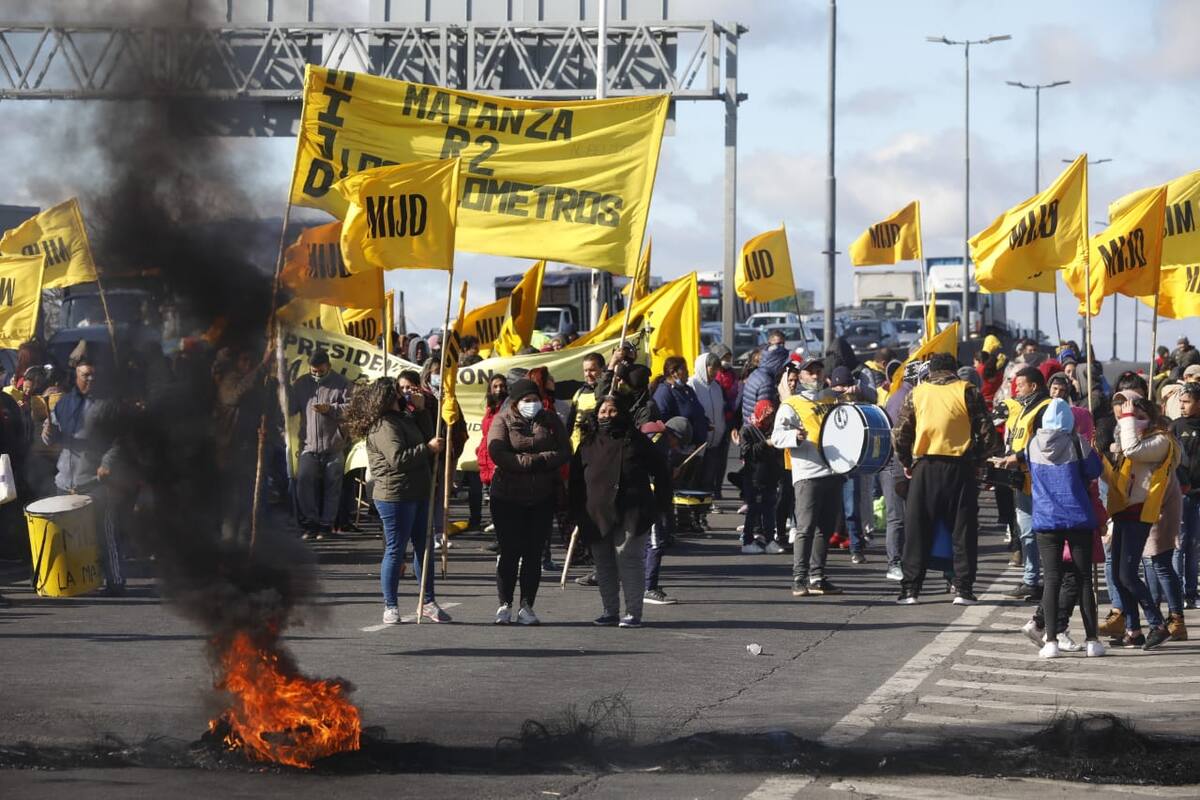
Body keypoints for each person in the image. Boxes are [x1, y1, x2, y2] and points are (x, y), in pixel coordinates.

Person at [892, 352, 1002, 604]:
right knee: (963, 531)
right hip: (960, 468)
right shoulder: (968, 390)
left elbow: (900, 434)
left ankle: (911, 590)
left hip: (924, 467)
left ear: (931, 371)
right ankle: (963, 589)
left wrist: (907, 463)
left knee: (917, 529)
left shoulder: (917, 393)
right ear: (954, 370)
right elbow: (988, 437)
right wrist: (976, 461)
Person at [348, 377, 450, 624]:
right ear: (388, 397)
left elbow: (428, 435)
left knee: (423, 549)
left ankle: (428, 601)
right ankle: (390, 605)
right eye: (398, 393)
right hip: (395, 495)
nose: (404, 395)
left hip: (418, 491)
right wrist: (427, 449)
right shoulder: (383, 425)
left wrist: (423, 410)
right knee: (396, 549)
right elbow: (398, 459)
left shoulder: (404, 418)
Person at [569, 396, 671, 627]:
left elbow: (662, 471)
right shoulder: (587, 444)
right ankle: (610, 611)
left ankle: (633, 613)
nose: (607, 416)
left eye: (612, 411)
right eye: (603, 411)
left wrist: (661, 505)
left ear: (622, 413)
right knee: (604, 564)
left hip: (632, 512)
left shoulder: (637, 441)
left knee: (629, 560)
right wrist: (576, 511)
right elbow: (575, 481)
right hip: (597, 514)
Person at [487, 378, 571, 625]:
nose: (532, 404)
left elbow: (565, 450)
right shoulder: (502, 420)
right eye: (527, 400)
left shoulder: (551, 419)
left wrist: (543, 460)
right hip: (507, 497)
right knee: (510, 552)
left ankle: (527, 605)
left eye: (535, 399)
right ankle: (505, 604)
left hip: (542, 497)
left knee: (533, 553)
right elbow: (498, 452)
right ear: (516, 402)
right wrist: (528, 462)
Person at [1025, 398, 1105, 658]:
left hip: (1046, 519)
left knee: (1051, 579)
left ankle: (1050, 642)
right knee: (1083, 579)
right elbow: (1095, 470)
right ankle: (1093, 640)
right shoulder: (1076, 442)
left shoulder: (1032, 444)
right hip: (1076, 516)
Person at [42, 359, 125, 595]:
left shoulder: (108, 406)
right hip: (65, 481)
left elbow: (120, 440)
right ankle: (74, 580)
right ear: (76, 376)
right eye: (85, 375)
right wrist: (48, 433)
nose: (91, 379)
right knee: (69, 537)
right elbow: (53, 436)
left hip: (94, 481)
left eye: (94, 375)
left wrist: (107, 462)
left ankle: (116, 581)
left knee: (105, 533)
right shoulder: (64, 404)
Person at [1107, 394, 1180, 650]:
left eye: (1136, 414)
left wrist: (1128, 421)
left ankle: (1158, 624)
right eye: (1123, 412)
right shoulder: (1130, 435)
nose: (1127, 418)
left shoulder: (1160, 440)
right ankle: (1133, 629)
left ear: (1147, 415)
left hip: (1141, 512)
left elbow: (1132, 451)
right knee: (1117, 575)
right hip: (1123, 509)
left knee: (1128, 574)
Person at [771, 357, 844, 596]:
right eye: (810, 372)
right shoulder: (791, 404)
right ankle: (799, 577)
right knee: (805, 528)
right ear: (800, 377)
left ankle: (818, 576)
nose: (815, 376)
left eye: (818, 371)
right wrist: (795, 436)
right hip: (808, 473)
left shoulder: (832, 398)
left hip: (833, 471)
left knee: (825, 527)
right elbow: (777, 437)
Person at [998, 367, 1053, 601]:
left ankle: (1045, 580)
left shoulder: (1045, 408)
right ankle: (1031, 580)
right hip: (1022, 479)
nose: (1016, 389)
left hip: (1039, 480)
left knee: (1042, 534)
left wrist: (1017, 457)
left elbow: (1044, 442)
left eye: (1020, 385)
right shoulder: (1023, 408)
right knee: (1027, 532)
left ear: (1033, 386)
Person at [212, 346, 272, 545]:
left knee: (248, 501)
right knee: (233, 504)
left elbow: (260, 406)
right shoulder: (227, 381)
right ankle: (229, 545)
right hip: (228, 453)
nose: (248, 365)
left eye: (251, 361)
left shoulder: (252, 383)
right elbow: (237, 394)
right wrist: (263, 366)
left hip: (248, 450)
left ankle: (245, 544)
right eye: (244, 360)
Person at [289, 350, 351, 540]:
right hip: (308, 445)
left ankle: (326, 524)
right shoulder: (301, 384)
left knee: (333, 486)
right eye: (313, 371)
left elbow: (351, 409)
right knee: (304, 482)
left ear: (329, 366)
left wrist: (330, 409)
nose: (316, 375)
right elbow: (290, 409)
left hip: (334, 445)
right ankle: (310, 522)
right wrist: (281, 391)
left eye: (320, 371)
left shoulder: (342, 383)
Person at [829, 365, 877, 563]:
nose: (842, 392)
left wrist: (859, 392)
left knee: (851, 507)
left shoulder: (860, 403)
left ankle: (856, 546)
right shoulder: (827, 401)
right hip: (830, 460)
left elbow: (875, 398)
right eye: (838, 388)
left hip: (851, 461)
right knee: (829, 506)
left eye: (845, 387)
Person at [739, 399, 785, 554]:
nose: (769, 419)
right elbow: (747, 452)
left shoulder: (774, 429)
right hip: (754, 478)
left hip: (771, 477)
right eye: (766, 415)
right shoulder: (747, 430)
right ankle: (747, 541)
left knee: (769, 510)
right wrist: (766, 443)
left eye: (771, 416)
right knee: (753, 510)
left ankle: (770, 540)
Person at [1171, 384, 1200, 611]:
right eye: (1181, 402)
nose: (1182, 406)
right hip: (1181, 494)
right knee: (1179, 545)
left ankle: (1192, 592)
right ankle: (1176, 591)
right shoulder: (1175, 427)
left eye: (1187, 401)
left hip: (1198, 495)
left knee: (1194, 545)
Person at [475, 374, 508, 549]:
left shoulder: (508, 408)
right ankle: (499, 538)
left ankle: (504, 540)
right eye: (495, 386)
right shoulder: (490, 409)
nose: (499, 390)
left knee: (502, 504)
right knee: (492, 504)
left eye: (502, 386)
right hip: (486, 460)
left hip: (499, 461)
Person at [689, 352, 727, 498]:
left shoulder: (716, 387)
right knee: (695, 476)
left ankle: (707, 504)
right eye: (712, 369)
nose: (715, 373)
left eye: (717, 369)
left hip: (714, 441)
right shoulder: (692, 384)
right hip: (698, 442)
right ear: (703, 367)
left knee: (709, 476)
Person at [651, 356, 709, 448]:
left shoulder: (688, 390)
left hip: (697, 446)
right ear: (674, 373)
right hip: (679, 449)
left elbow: (696, 411)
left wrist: (704, 423)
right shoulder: (664, 392)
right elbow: (661, 422)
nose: (688, 372)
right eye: (684, 369)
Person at [741, 343, 789, 424]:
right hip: (757, 430)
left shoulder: (757, 373)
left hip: (749, 425)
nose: (784, 369)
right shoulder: (766, 382)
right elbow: (764, 415)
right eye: (783, 365)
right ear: (776, 363)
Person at [567, 352, 605, 451]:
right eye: (585, 370)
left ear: (602, 369)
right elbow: (570, 423)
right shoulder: (579, 393)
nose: (588, 374)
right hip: (577, 449)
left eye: (592, 370)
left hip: (599, 447)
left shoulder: (607, 392)